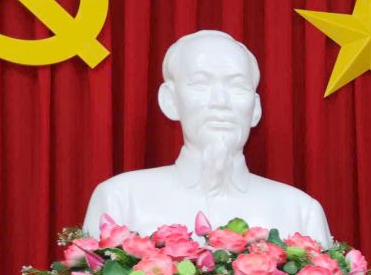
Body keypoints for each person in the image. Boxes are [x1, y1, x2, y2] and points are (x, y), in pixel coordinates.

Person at [82, 30, 332, 243]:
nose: (220, 101)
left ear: (255, 109)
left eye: (237, 86)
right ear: (170, 100)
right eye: (200, 84)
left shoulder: (300, 212)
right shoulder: (120, 201)